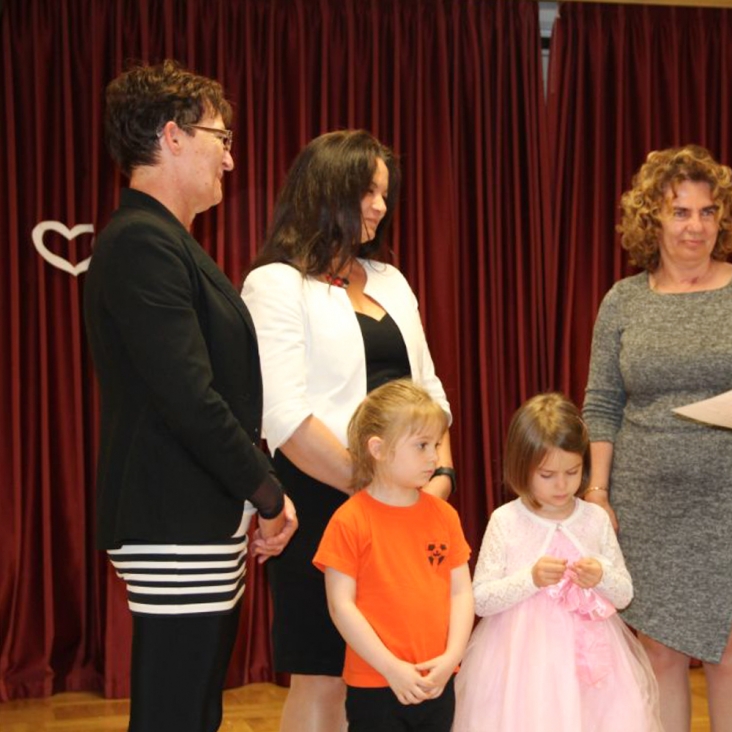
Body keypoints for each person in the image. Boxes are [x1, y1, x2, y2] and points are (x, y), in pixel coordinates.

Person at [83, 59, 298, 732]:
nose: (230, 159)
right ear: (172, 137)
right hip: (173, 517)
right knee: (177, 714)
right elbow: (189, 396)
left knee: (193, 711)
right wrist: (266, 490)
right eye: (221, 138)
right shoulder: (142, 243)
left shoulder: (163, 240)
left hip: (194, 516)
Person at [241, 129, 456, 731]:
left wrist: (438, 480)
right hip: (322, 502)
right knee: (324, 674)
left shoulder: (391, 280)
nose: (380, 207)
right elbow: (284, 417)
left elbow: (431, 393)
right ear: (326, 190)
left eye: (385, 194)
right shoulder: (276, 283)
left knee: (394, 670)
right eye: (368, 192)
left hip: (409, 508)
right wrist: (374, 494)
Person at [582, 145, 732, 732]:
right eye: (680, 212)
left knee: (731, 655)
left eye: (708, 212)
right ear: (651, 219)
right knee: (659, 654)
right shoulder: (623, 300)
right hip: (647, 504)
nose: (696, 226)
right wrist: (597, 493)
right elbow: (601, 404)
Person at [453, 393, 662, 732]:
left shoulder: (594, 518)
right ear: (522, 467)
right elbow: (482, 599)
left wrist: (601, 576)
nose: (562, 485)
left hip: (593, 667)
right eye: (547, 475)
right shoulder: (506, 520)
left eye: (572, 472)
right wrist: (530, 579)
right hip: (524, 667)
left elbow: (624, 594)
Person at [313, 379, 473, 732]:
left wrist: (451, 658)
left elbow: (461, 591)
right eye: (421, 445)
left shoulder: (444, 516)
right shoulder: (350, 520)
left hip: (437, 679)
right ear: (378, 449)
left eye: (436, 445)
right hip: (376, 684)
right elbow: (341, 606)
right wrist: (391, 668)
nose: (434, 457)